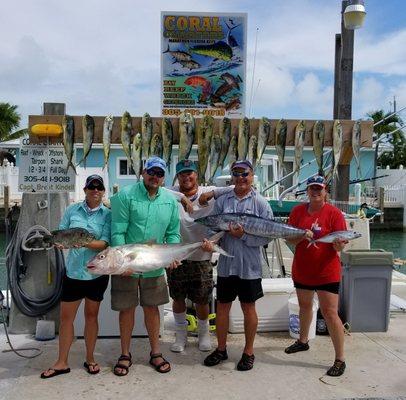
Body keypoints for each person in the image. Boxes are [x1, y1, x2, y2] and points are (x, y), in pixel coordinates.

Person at [110, 156, 181, 376]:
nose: (155, 177)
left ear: (163, 178)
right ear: (143, 172)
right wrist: (123, 264)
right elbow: (118, 231)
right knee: (126, 309)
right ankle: (125, 353)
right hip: (126, 266)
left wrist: (174, 254)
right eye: (151, 172)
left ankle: (156, 352)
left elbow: (173, 233)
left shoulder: (170, 201)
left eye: (160, 174)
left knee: (152, 308)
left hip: (155, 265)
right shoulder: (124, 196)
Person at [203, 160, 273, 371]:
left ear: (252, 176)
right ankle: (221, 349)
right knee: (222, 307)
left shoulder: (261, 203)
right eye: (236, 174)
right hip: (226, 266)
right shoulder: (223, 201)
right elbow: (213, 228)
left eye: (245, 174)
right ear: (231, 177)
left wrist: (244, 237)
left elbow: (268, 237)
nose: (241, 178)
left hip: (250, 267)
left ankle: (249, 352)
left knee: (248, 308)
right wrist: (210, 242)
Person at [41, 175, 111, 378]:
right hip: (73, 272)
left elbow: (105, 243)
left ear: (103, 191)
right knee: (66, 319)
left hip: (95, 273)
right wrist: (60, 243)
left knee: (91, 317)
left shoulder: (107, 215)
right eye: (91, 187)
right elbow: (63, 234)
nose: (95, 190)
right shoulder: (72, 210)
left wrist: (83, 242)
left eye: (99, 187)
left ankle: (90, 358)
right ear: (86, 189)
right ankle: (61, 362)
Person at [284, 175, 348, 377]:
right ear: (307, 191)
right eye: (312, 188)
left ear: (325, 191)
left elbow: (341, 243)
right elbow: (290, 239)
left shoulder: (334, 213)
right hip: (302, 269)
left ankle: (340, 358)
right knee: (304, 306)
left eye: (319, 188)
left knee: (330, 313)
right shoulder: (297, 211)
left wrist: (339, 245)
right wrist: (301, 235)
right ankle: (303, 341)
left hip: (327, 272)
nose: (315, 192)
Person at [166, 159, 232, 353]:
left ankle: (203, 334)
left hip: (202, 255)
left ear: (197, 175)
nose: (187, 177)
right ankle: (181, 335)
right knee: (177, 299)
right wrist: (181, 197)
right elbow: (146, 185)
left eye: (190, 173)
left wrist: (211, 194)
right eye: (182, 174)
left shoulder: (208, 191)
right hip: (176, 255)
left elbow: (236, 187)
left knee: (202, 300)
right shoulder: (171, 193)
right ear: (177, 177)